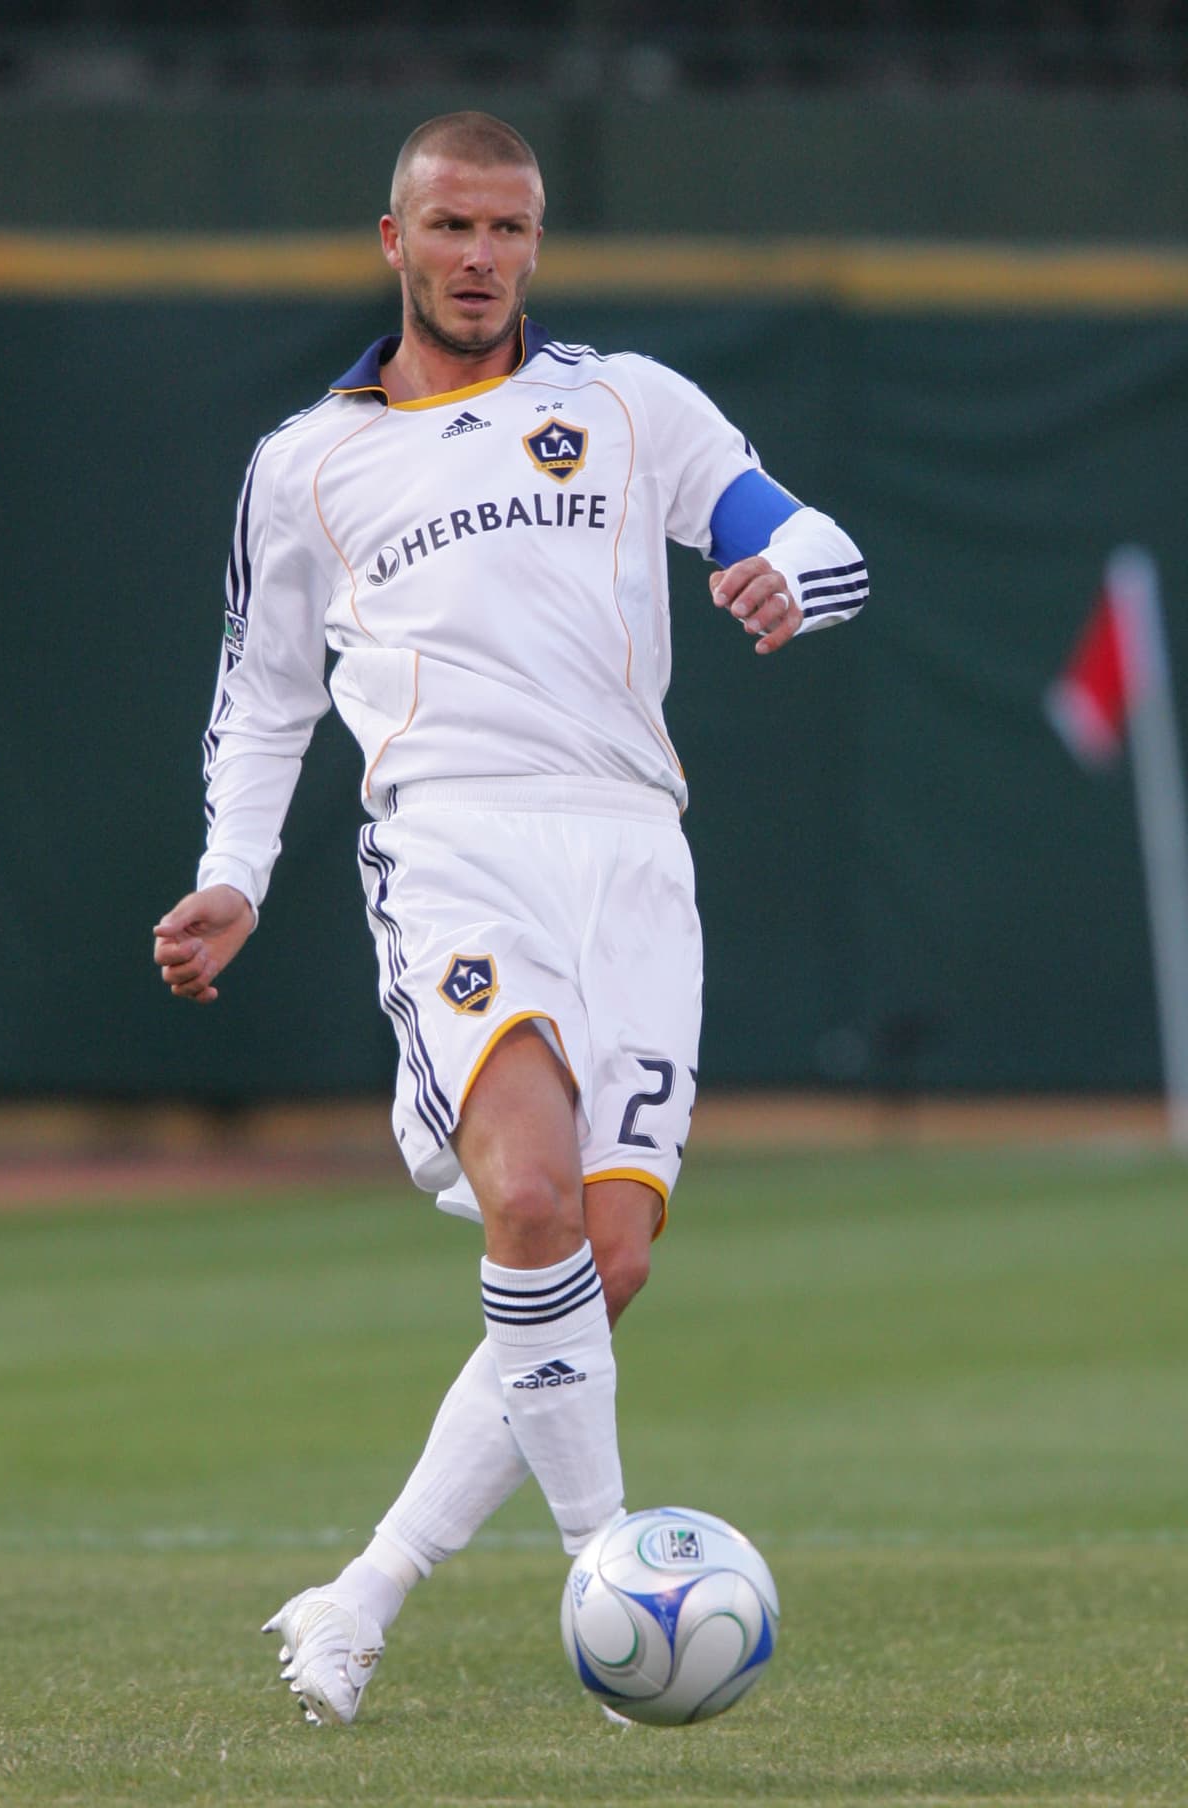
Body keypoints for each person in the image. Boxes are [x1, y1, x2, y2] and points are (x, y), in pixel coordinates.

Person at [153, 110, 867, 1728]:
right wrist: (236, 875)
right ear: (392, 239)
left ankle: (361, 1592)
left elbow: (809, 540)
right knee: (529, 1194)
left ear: (538, 243)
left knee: (598, 1261)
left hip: (634, 861)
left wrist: (792, 581)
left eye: (512, 230)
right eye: (454, 227)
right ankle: (619, 1577)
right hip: (452, 846)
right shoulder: (307, 465)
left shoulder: (625, 406)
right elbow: (262, 703)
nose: (484, 258)